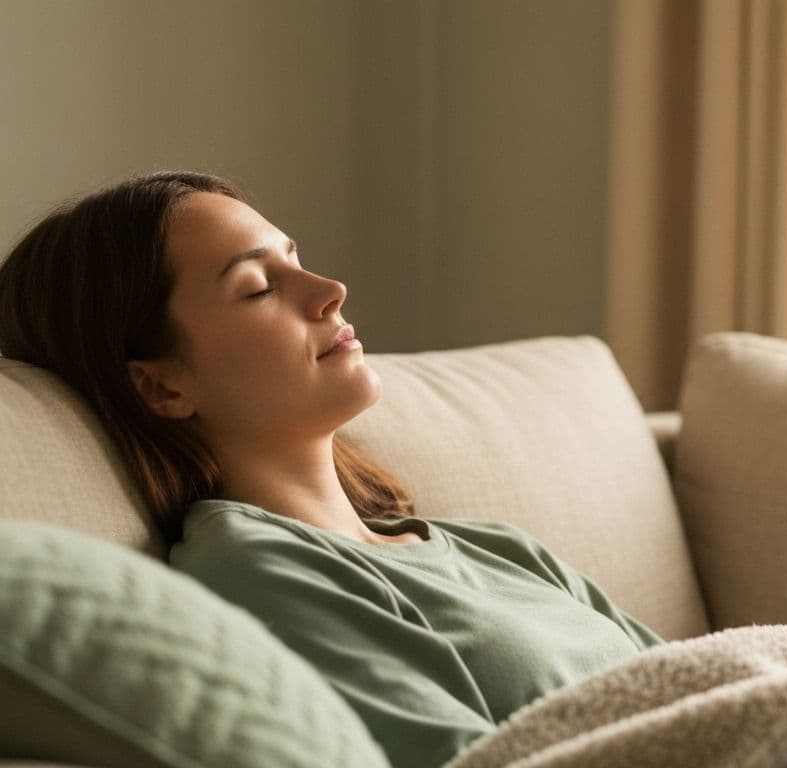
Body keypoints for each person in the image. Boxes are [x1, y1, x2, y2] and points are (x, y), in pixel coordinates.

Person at [0, 171, 664, 768]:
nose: (331, 292)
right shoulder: (258, 570)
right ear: (161, 389)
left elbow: (692, 681)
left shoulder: (497, 547)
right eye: (259, 287)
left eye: (298, 261)